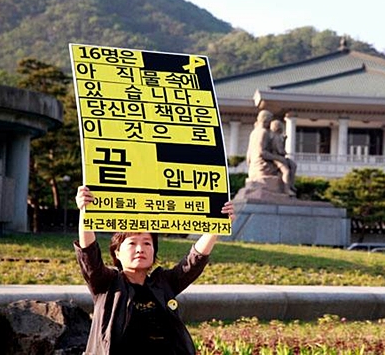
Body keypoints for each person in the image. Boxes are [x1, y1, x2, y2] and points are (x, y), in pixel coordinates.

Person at [74, 185, 234, 354]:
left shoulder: (163, 284)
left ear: (154, 252)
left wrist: (218, 224)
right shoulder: (107, 285)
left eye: (147, 243)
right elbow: (89, 253)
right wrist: (85, 211)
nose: (140, 249)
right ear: (117, 252)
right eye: (132, 243)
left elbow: (193, 262)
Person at [270, 119, 297, 195]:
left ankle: (291, 184)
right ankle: (287, 188)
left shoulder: (278, 137)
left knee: (293, 165)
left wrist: (284, 141)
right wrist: (285, 152)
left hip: (280, 157)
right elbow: (280, 151)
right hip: (276, 158)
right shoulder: (276, 137)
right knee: (286, 171)